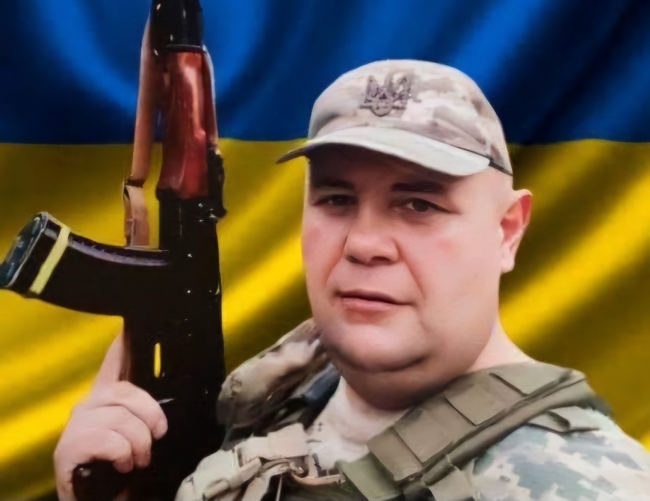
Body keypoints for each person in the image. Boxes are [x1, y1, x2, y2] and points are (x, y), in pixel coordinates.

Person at [54, 60, 650, 501]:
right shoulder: (262, 405)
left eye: (418, 205)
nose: (364, 243)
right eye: (337, 199)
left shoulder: (584, 483)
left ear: (508, 231)